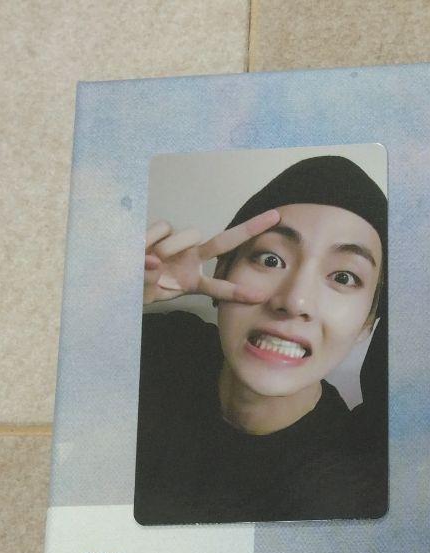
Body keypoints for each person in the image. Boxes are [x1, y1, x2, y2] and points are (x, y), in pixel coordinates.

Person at [134, 155, 388, 525]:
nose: (295, 301)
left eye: (344, 278)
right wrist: (111, 305)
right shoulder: (158, 346)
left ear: (367, 321)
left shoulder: (351, 490)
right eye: (270, 260)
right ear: (222, 270)